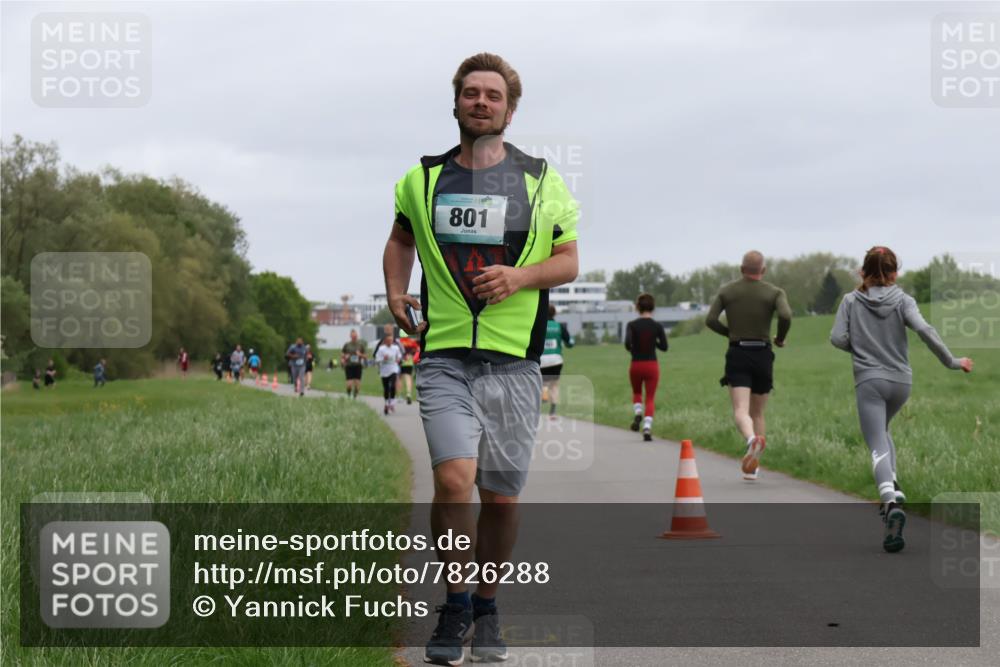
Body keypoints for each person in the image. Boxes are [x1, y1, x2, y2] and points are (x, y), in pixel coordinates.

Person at [382, 53, 579, 666]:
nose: (481, 102)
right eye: (472, 93)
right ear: (456, 103)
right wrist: (395, 290)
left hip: (515, 364)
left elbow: (568, 261)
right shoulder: (422, 180)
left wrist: (520, 277)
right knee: (453, 479)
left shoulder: (541, 181)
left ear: (510, 111)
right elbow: (400, 240)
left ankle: (488, 608)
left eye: (494, 95)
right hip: (445, 359)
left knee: (500, 498)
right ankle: (456, 602)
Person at [830, 246, 973, 553]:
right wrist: (952, 361)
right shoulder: (904, 300)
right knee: (884, 432)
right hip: (901, 382)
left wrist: (861, 346)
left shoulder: (851, 301)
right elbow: (924, 329)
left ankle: (890, 503)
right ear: (895, 273)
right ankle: (894, 485)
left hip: (870, 381)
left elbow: (837, 338)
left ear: (862, 272)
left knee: (876, 443)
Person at [706, 251, 792, 481]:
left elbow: (710, 320)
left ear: (741, 269)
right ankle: (754, 468)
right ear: (763, 270)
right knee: (758, 413)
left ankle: (751, 440)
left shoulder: (727, 291)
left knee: (741, 410)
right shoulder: (775, 292)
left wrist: (730, 333)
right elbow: (785, 315)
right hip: (763, 354)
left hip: (738, 353)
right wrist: (780, 338)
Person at [625, 294, 667, 441]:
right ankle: (647, 427)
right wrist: (654, 342)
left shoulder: (631, 325)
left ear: (638, 307)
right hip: (651, 365)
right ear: (653, 307)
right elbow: (664, 347)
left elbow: (627, 344)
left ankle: (638, 412)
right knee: (650, 398)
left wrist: (634, 350)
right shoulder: (657, 326)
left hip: (636, 364)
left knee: (637, 392)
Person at [540, 305, 574, 419]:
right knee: (554, 385)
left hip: (542, 360)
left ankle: (544, 396)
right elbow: (570, 343)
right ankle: (552, 412)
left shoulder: (539, 326)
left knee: (543, 383)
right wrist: (570, 343)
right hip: (556, 360)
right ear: (554, 314)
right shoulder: (559, 326)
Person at [375, 333, 403, 415]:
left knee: (393, 386)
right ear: (385, 341)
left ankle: (392, 402)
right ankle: (387, 403)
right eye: (388, 340)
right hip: (384, 370)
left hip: (393, 368)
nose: (390, 342)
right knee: (386, 388)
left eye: (391, 340)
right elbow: (377, 360)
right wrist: (383, 358)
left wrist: (398, 359)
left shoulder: (395, 348)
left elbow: (399, 355)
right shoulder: (381, 349)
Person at [341, 329, 367, 398]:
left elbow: (365, 356)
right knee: (349, 384)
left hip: (357, 366)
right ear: (350, 336)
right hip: (349, 366)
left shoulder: (360, 345)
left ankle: (355, 397)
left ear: (357, 336)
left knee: (357, 384)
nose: (354, 337)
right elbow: (342, 354)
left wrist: (360, 354)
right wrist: (344, 357)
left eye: (355, 336)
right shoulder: (347, 345)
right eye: (353, 336)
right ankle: (349, 395)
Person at [399, 334, 420, 404]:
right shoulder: (411, 342)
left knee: (400, 379)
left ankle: (400, 396)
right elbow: (418, 349)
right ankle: (408, 394)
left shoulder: (399, 342)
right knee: (408, 378)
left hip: (400, 362)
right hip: (409, 362)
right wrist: (412, 355)